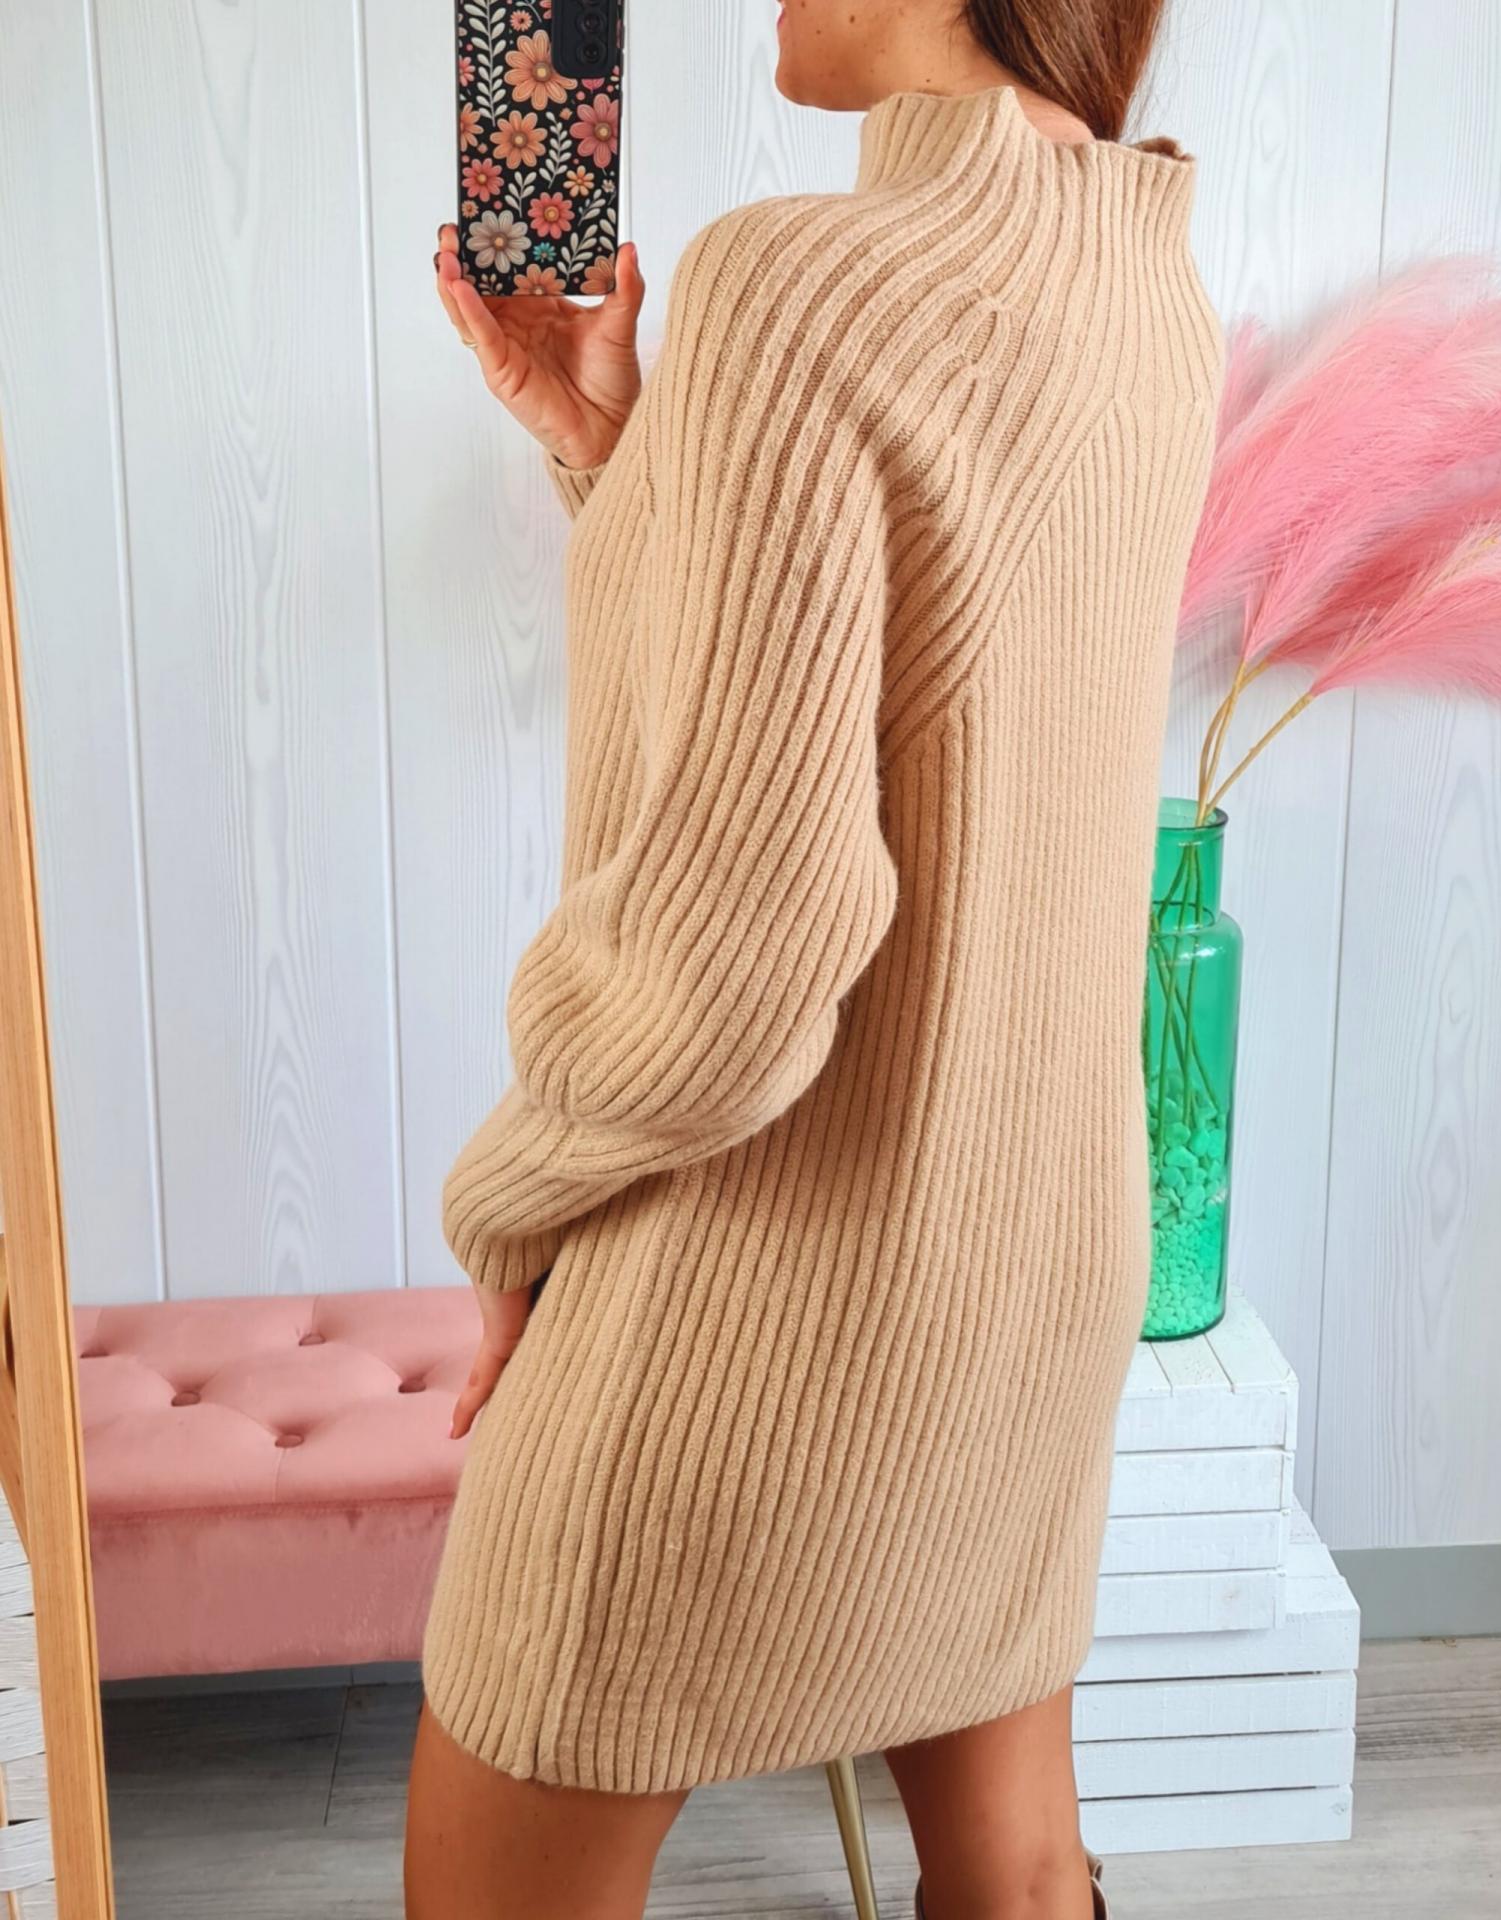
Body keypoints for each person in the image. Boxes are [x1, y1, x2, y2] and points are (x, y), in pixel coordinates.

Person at [406, 1, 1221, 1913]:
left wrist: (508, 1205)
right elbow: (937, 731)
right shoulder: (1149, 288)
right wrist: (624, 458)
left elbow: (734, 961)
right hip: (1025, 1271)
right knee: (1021, 1880)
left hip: (758, 1305)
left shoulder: (799, 289)